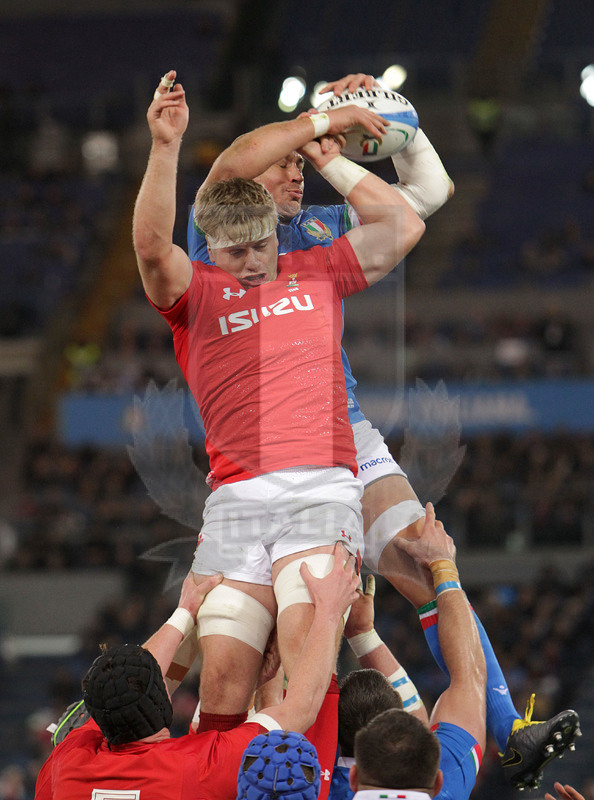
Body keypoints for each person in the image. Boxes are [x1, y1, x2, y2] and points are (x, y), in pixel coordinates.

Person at [133, 70, 425, 730]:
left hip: (321, 492)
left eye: (262, 244)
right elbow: (151, 248)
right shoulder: (195, 295)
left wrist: (333, 162)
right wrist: (165, 146)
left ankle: (303, 773)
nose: (253, 262)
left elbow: (402, 221)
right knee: (224, 687)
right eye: (235, 250)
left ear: (275, 232)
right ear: (211, 246)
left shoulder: (316, 269)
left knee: (301, 664)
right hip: (236, 500)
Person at [34, 545, 360, 800]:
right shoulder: (198, 766)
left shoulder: (65, 765)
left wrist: (186, 611)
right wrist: (329, 611)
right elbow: (301, 707)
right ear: (164, 703)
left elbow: (135, 684)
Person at [331, 504, 580, 796]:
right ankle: (508, 726)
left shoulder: (304, 778)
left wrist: (356, 631)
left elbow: (463, 681)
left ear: (355, 776)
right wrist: (441, 562)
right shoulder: (307, 777)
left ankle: (508, 726)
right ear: (435, 780)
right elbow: (469, 672)